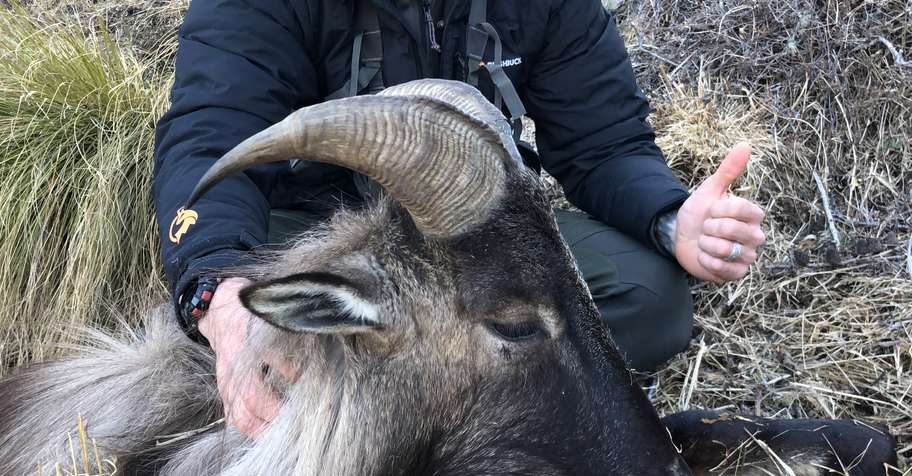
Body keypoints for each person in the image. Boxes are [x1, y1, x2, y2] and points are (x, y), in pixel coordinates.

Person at [153, 0, 766, 437]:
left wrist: (671, 216)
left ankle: (441, 403)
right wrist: (220, 293)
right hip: (329, 237)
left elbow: (605, 145)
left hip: (484, 241)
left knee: (649, 299)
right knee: (250, 325)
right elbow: (209, 141)